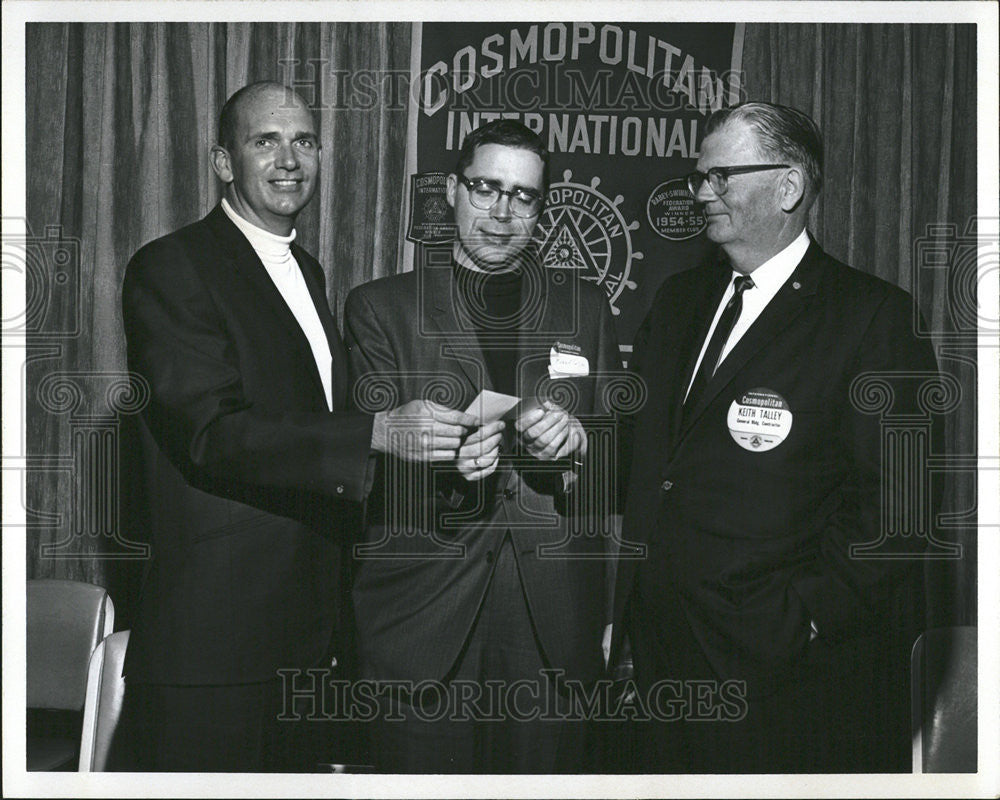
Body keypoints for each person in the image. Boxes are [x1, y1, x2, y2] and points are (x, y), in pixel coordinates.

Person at [118, 82, 473, 772]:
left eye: (305, 141)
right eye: (266, 140)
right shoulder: (172, 265)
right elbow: (212, 431)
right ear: (223, 162)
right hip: (215, 647)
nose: (289, 159)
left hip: (306, 641)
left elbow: (307, 437)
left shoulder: (305, 269)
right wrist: (373, 433)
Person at [611, 102, 940, 772]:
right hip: (660, 663)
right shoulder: (676, 302)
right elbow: (643, 456)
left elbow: (899, 512)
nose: (702, 192)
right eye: (699, 176)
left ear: (788, 188)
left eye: (721, 177)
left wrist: (804, 620)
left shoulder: (872, 318)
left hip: (787, 683)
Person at [343, 120, 621, 773]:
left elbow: (616, 471)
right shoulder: (379, 308)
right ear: (452, 190)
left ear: (543, 207)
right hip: (424, 614)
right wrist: (444, 467)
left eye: (524, 196)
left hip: (552, 619)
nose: (502, 212)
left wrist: (581, 449)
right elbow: (358, 462)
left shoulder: (586, 307)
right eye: (487, 188)